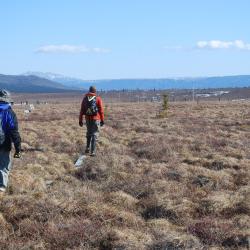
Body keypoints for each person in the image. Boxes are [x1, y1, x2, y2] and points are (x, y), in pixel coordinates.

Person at [0, 90, 21, 193]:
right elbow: (14, 132)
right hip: (4, 144)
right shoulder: (9, 112)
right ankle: (1, 189)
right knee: (3, 167)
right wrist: (18, 149)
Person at [79, 86, 104, 156]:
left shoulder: (85, 99)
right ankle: (92, 152)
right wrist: (102, 120)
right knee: (95, 134)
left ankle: (87, 148)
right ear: (95, 91)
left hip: (87, 119)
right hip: (96, 119)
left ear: (89, 91)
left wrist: (80, 120)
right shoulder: (98, 99)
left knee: (89, 133)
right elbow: (101, 110)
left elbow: (81, 110)